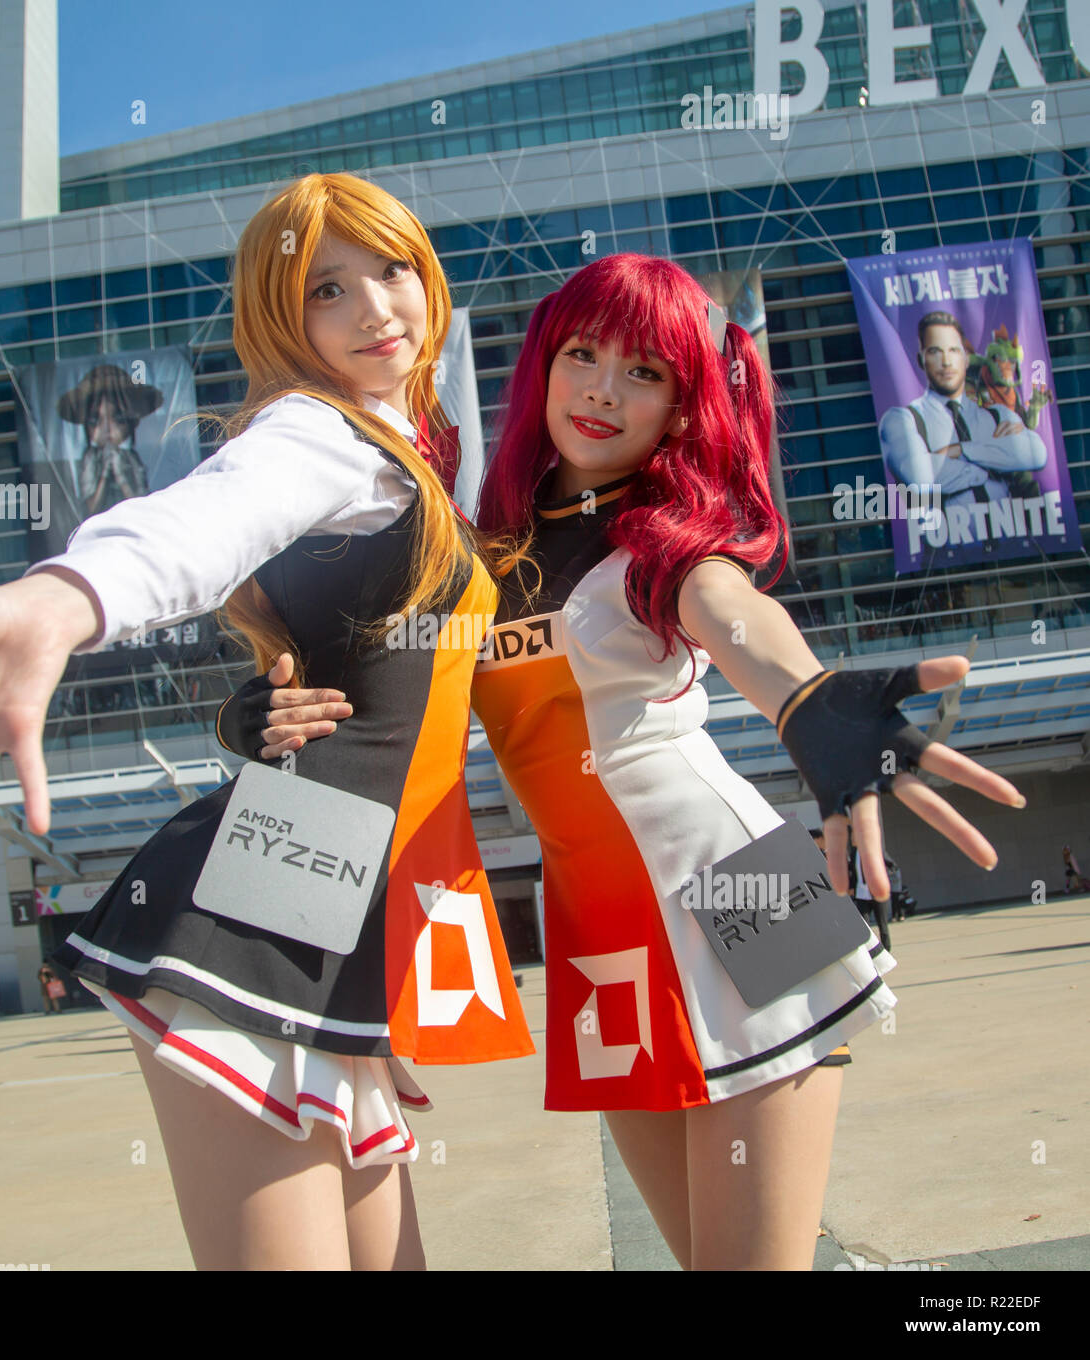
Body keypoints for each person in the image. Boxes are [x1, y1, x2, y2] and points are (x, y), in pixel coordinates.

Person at [0, 172, 533, 1271]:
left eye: (390, 268)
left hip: (334, 898)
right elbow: (197, 523)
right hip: (266, 900)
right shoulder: (318, 434)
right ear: (284, 322)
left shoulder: (409, 457)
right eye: (327, 289)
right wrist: (53, 603)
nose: (376, 306)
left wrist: (269, 720)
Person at [243, 253, 1025, 1269]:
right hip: (594, 927)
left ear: (683, 404)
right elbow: (383, 693)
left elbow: (736, 616)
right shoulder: (479, 555)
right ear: (542, 367)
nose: (605, 390)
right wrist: (269, 708)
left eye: (646, 371)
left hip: (746, 884)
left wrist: (804, 695)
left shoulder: (667, 545)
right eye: (582, 354)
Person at [878, 311, 1046, 510]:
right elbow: (920, 477)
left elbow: (1036, 454)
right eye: (935, 351)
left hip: (1011, 536)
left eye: (953, 351)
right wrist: (992, 464)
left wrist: (960, 450)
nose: (946, 362)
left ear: (966, 359)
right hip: (948, 538)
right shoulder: (902, 419)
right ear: (921, 359)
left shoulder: (998, 415)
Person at [58, 364, 158, 517]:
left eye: (118, 419)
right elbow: (90, 507)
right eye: (95, 421)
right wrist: (104, 474)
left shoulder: (130, 457)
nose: (107, 429)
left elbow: (141, 502)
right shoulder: (91, 458)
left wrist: (121, 476)